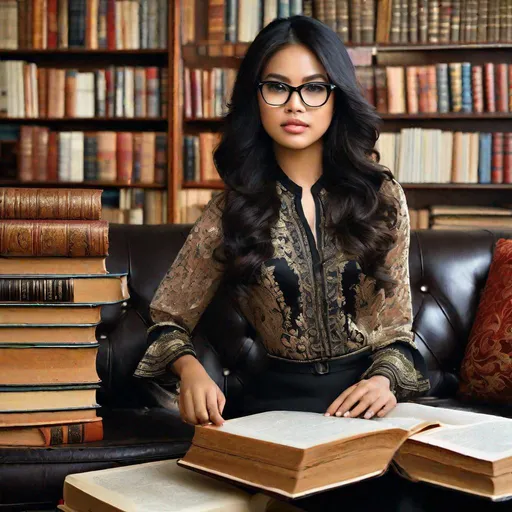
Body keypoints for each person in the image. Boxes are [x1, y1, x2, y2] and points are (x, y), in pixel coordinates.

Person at [134, 15, 430, 427]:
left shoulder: (379, 197)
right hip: (276, 410)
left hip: (368, 406)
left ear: (337, 96)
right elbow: (168, 320)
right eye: (276, 86)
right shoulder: (230, 211)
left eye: (313, 87)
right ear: (256, 97)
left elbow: (396, 328)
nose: (295, 103)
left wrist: (383, 382)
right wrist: (190, 370)